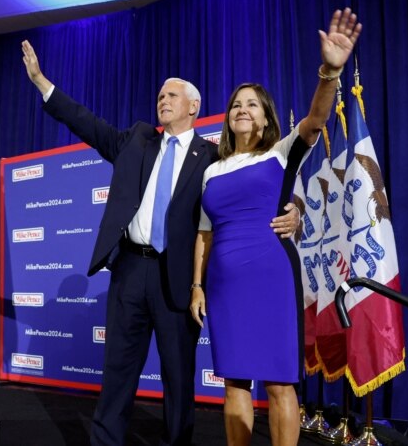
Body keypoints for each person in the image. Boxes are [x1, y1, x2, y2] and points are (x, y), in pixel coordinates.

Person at [21, 41, 299, 445]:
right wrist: (43, 83)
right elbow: (86, 122)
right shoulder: (136, 140)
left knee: (179, 377)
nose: (162, 101)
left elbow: (257, 184)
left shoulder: (213, 158)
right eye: (159, 96)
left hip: (178, 275)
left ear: (193, 106)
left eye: (171, 95)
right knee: (117, 372)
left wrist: (295, 208)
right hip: (130, 270)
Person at [188, 8, 361, 446]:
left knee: (281, 383)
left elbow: (317, 120)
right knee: (234, 382)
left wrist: (330, 71)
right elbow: (203, 234)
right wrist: (197, 285)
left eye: (251, 104)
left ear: (265, 118)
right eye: (235, 105)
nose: (241, 110)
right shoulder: (212, 169)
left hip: (271, 276)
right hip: (224, 283)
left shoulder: (281, 153)